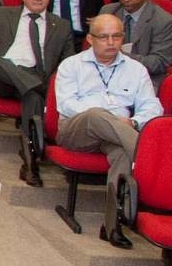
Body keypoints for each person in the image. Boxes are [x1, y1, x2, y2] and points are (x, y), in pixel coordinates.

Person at [56, 13, 165, 248]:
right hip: (77, 130)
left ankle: (112, 224)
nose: (111, 42)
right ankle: (151, 161)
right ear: (89, 38)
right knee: (97, 115)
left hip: (118, 132)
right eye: (104, 37)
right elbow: (67, 105)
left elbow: (153, 107)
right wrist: (108, 115)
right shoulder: (71, 65)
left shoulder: (136, 69)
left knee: (122, 154)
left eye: (116, 36)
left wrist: (134, 122)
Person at [0, 0, 72, 186]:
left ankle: (30, 162)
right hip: (1, 77)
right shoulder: (1, 14)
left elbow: (67, 65)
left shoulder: (61, 26)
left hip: (35, 77)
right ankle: (37, 88)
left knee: (33, 96)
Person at [105, 0, 172, 90]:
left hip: (145, 81)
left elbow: (158, 63)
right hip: (107, 77)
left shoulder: (163, 21)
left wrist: (120, 55)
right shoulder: (108, 11)